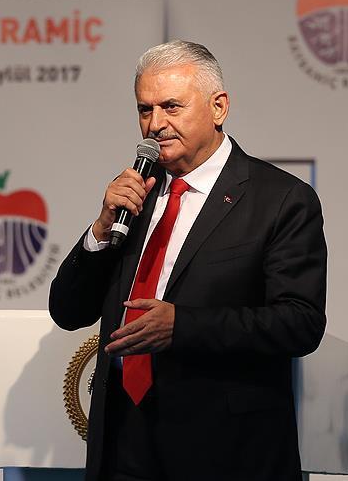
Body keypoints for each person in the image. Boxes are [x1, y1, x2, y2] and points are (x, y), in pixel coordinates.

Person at [49, 40, 327, 481]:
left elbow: (300, 322)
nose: (155, 124)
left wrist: (183, 325)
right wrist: (101, 228)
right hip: (123, 442)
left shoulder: (281, 199)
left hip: (225, 452)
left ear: (219, 107)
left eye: (171, 107)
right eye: (145, 109)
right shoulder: (134, 195)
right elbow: (68, 311)